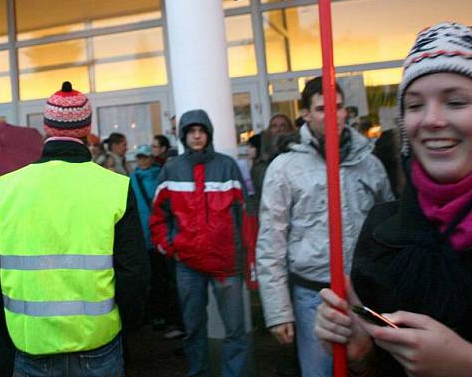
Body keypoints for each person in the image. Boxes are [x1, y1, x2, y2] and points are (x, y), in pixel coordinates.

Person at [314, 22, 472, 376]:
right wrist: (364, 355)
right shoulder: (383, 232)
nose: (431, 120)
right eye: (414, 105)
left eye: (455, 102)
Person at [0, 81, 149, 376]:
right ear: (87, 130)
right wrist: (128, 325)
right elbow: (133, 271)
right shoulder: (115, 187)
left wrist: (7, 325)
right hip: (98, 342)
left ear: (47, 127)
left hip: (31, 343)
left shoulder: (5, 188)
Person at [256, 77, 392, 377]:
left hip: (365, 292)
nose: (333, 115)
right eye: (321, 109)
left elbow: (390, 229)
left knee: (372, 368)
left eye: (339, 107)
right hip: (312, 296)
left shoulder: (369, 164)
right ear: (305, 113)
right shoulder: (284, 168)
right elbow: (271, 240)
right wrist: (278, 312)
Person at [150, 109, 249, 377]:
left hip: (226, 263)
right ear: (183, 135)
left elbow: (244, 215)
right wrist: (170, 247)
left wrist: (245, 259)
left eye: (201, 131)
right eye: (191, 131)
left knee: (235, 329)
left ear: (208, 134)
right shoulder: (172, 169)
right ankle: (198, 372)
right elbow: (158, 215)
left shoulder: (227, 166)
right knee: (193, 328)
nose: (196, 136)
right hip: (188, 264)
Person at [130, 145, 183, 338]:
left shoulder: (161, 176)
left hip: (160, 237)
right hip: (143, 239)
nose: (142, 161)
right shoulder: (132, 179)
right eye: (140, 157)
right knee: (151, 279)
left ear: (152, 158)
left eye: (145, 157)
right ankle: (157, 316)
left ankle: (170, 318)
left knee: (165, 279)